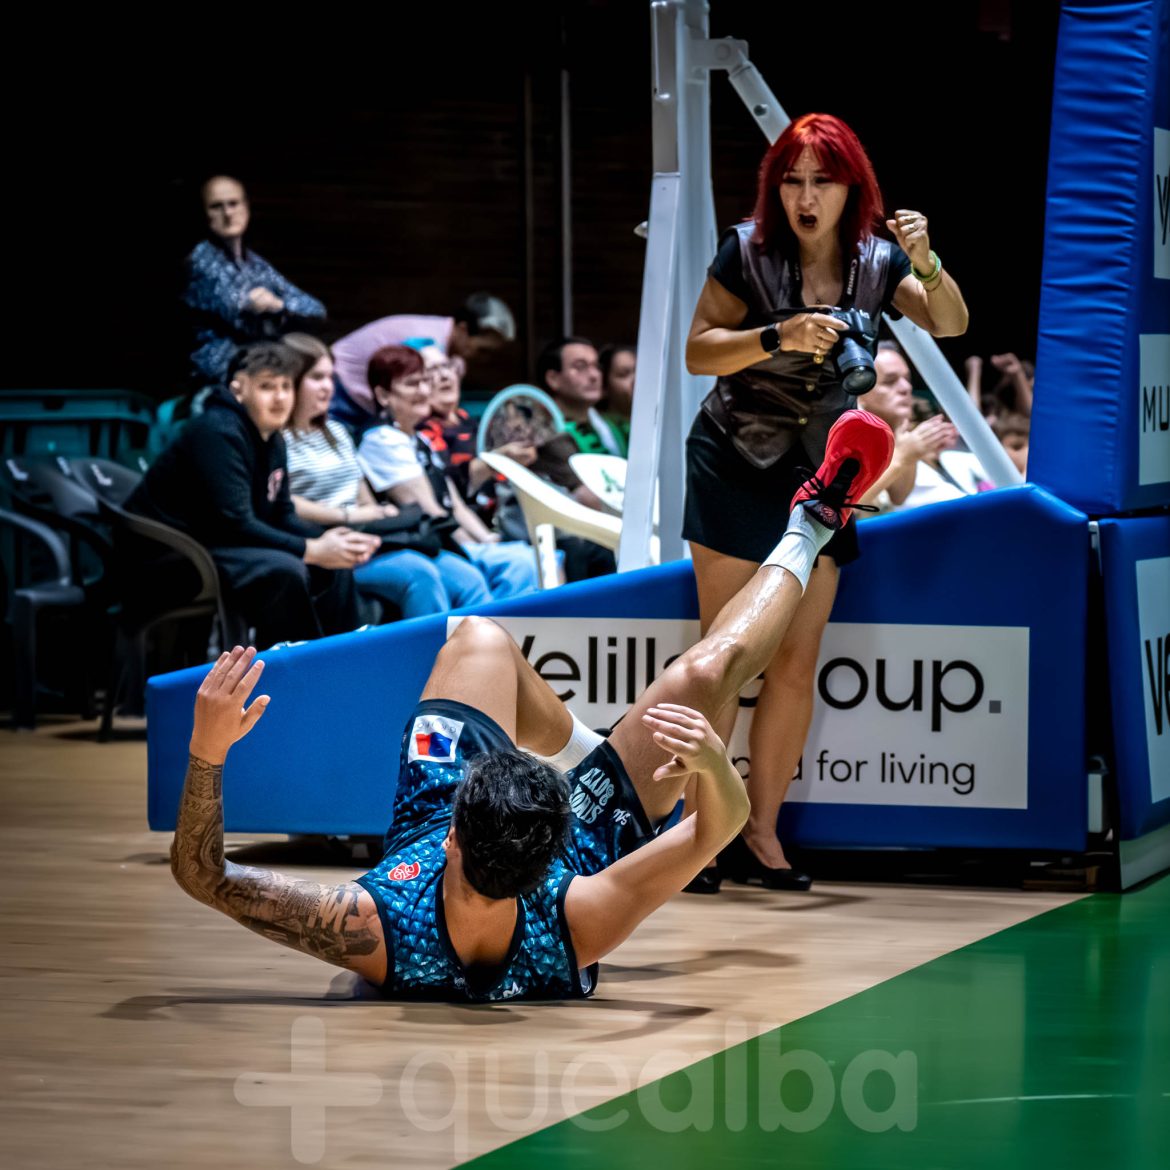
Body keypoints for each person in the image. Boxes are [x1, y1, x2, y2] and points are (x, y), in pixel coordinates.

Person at [169, 410, 894, 1001]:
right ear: (553, 850)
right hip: (587, 828)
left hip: (445, 800)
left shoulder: (374, 927)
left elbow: (205, 877)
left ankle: (589, 750)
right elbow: (721, 825)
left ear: (450, 836)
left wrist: (207, 747)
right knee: (710, 670)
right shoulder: (583, 913)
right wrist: (708, 760)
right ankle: (814, 522)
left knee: (479, 634)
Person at [682, 112, 968, 893]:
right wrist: (775, 338)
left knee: (796, 661)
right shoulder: (747, 250)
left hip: (827, 474)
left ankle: (762, 836)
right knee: (725, 656)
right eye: (794, 180)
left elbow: (951, 320)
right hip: (735, 460)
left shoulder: (879, 263)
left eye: (824, 180)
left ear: (854, 188)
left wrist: (927, 260)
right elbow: (697, 348)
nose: (807, 196)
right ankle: (700, 837)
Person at [123, 342, 377, 649]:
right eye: (267, 387)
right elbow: (234, 521)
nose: (281, 397)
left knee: (334, 562)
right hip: (170, 555)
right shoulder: (217, 431)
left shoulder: (272, 438)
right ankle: (287, 676)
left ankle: (340, 660)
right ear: (238, 390)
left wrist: (333, 544)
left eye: (286, 386)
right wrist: (311, 548)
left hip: (218, 544)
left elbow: (282, 514)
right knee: (286, 569)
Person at [281, 334, 493, 619]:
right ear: (293, 380)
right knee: (420, 575)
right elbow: (283, 503)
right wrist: (347, 517)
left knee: (468, 578)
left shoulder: (337, 432)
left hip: (367, 537)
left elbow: (363, 498)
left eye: (331, 377)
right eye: (317, 377)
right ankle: (434, 662)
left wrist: (373, 515)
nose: (328, 387)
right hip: (323, 542)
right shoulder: (279, 440)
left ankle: (484, 658)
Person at [356, 345, 540, 599]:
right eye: (412, 384)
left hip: (447, 541)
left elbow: (455, 506)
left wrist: (487, 539)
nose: (423, 391)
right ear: (383, 395)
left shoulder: (421, 438)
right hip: (424, 546)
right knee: (519, 564)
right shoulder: (381, 440)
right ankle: (505, 636)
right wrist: (474, 549)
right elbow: (432, 513)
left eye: (423, 382)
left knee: (536, 558)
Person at [183, 176, 326, 386]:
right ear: (205, 214)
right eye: (216, 206)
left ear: (246, 207)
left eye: (233, 204)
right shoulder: (200, 260)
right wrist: (276, 311)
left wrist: (278, 305)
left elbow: (316, 310)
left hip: (258, 368)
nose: (228, 213)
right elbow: (242, 316)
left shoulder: (256, 265)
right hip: (218, 381)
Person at [330, 293, 516, 433]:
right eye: (482, 350)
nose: (483, 359)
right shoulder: (427, 344)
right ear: (462, 329)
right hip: (339, 389)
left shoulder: (450, 354)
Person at [856, 344, 968, 511]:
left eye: (907, 379)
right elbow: (847, 506)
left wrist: (908, 455)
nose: (906, 388)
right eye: (890, 381)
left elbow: (898, 497)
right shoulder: (846, 429)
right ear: (859, 390)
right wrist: (902, 457)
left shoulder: (898, 430)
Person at [599, 343, 636, 455]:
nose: (636, 379)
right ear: (604, 386)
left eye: (642, 371)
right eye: (623, 374)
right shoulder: (599, 429)